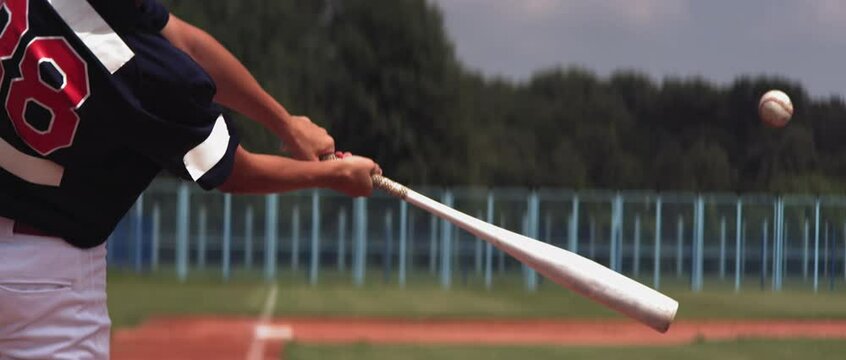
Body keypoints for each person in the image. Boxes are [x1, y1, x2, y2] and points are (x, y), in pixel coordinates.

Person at [0, 0, 380, 358]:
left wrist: (287, 124)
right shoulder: (148, 73)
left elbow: (187, 42)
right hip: (47, 283)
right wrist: (333, 175)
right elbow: (235, 171)